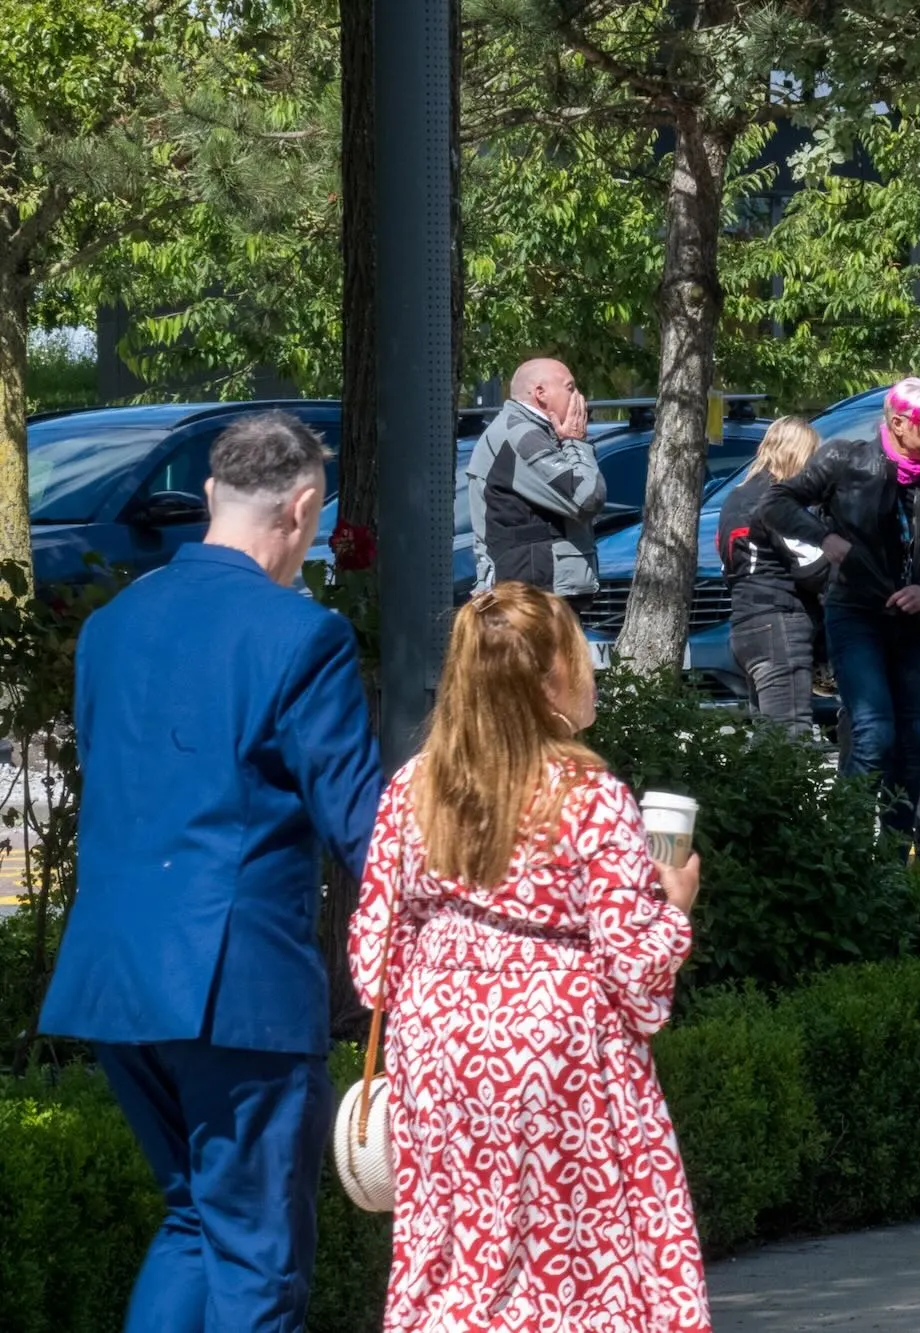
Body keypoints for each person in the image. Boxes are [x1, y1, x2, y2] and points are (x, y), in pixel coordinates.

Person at [39, 411, 383, 1332]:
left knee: (195, 1217)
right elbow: (366, 828)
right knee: (258, 1257)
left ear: (209, 499)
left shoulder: (110, 627)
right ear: (305, 507)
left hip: (115, 978)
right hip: (235, 988)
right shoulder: (300, 636)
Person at [347, 582, 710, 1331]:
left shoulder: (413, 789)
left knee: (456, 1260)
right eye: (579, 656)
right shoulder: (589, 796)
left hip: (438, 1053)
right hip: (560, 1058)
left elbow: (371, 961)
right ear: (548, 677)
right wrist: (673, 903)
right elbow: (634, 969)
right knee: (576, 1268)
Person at [762, 377, 920, 837]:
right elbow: (777, 502)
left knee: (916, 739)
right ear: (898, 423)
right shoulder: (845, 459)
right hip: (856, 612)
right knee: (875, 731)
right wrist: (824, 537)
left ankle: (893, 867)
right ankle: (847, 846)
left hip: (919, 623)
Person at [467, 356, 605, 615]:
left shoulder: (536, 432)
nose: (579, 397)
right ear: (540, 393)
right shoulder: (522, 435)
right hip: (532, 601)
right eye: (570, 388)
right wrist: (576, 443)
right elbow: (587, 498)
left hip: (539, 593)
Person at [718, 415, 829, 736]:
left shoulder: (734, 498)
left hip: (744, 628)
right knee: (791, 738)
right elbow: (814, 567)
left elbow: (729, 568)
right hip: (779, 626)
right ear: (798, 456)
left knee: (770, 745)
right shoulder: (776, 500)